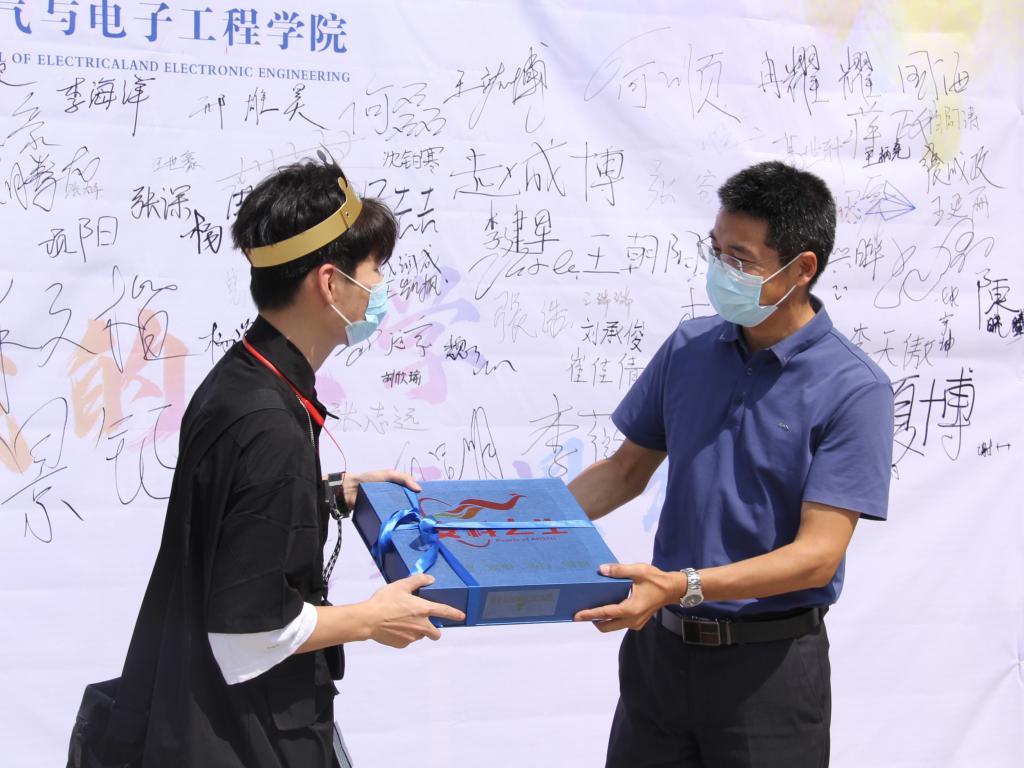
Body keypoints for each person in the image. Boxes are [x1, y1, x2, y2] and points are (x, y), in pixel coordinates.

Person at [85, 159, 463, 768]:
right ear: (330, 283)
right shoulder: (269, 424)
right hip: (241, 740)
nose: (381, 287)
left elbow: (230, 510)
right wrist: (372, 618)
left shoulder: (241, 379)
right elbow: (247, 633)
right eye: (375, 270)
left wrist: (325, 491)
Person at [570, 160, 894, 767]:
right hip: (659, 659)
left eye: (740, 259)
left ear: (802, 268)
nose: (721, 271)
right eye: (716, 251)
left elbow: (817, 555)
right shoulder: (689, 348)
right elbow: (623, 472)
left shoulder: (854, 389)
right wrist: (519, 523)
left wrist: (683, 585)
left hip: (768, 673)